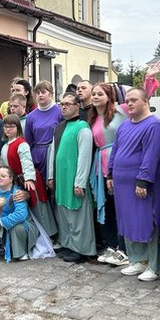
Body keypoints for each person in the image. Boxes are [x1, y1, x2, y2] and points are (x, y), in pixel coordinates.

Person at [107, 89, 160, 281]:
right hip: (122, 183)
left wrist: (143, 180)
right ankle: (138, 260)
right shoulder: (124, 126)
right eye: (127, 101)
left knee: (148, 222)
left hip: (143, 185)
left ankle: (155, 265)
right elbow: (115, 150)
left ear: (145, 101)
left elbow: (152, 155)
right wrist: (109, 173)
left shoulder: (154, 125)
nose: (130, 104)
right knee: (129, 221)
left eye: (134, 100)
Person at [47, 92, 96, 263]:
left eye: (68, 103)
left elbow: (84, 156)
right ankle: (68, 244)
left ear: (77, 106)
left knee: (78, 216)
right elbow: (53, 153)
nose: (64, 106)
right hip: (61, 178)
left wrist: (80, 182)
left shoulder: (83, 127)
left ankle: (81, 249)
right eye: (62, 104)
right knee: (63, 213)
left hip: (74, 178)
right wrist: (51, 175)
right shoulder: (59, 127)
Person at [87, 83, 129, 267]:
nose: (95, 97)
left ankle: (124, 248)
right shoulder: (93, 118)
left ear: (109, 96)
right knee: (108, 207)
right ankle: (112, 245)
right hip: (101, 166)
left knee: (122, 208)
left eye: (100, 94)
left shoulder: (121, 111)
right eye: (93, 94)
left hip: (119, 161)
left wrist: (150, 79)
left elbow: (143, 98)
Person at [0, 114, 57, 239]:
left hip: (30, 181)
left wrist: (29, 179)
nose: (8, 129)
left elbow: (27, 162)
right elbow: (3, 166)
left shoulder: (22, 144)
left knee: (39, 208)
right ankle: (34, 237)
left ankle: (49, 236)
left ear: (18, 128)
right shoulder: (5, 147)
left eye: (11, 126)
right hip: (17, 182)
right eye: (6, 127)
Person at [0, 165, 36, 261]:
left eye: (3, 176)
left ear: (11, 179)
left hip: (22, 223)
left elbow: (21, 215)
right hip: (1, 221)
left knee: (17, 228)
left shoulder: (17, 192)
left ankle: (21, 252)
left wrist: (1, 221)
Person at [24, 81, 62, 182]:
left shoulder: (59, 112)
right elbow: (28, 141)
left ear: (51, 94)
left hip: (53, 154)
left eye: (43, 92)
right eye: (38, 93)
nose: (40, 95)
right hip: (37, 155)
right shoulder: (31, 116)